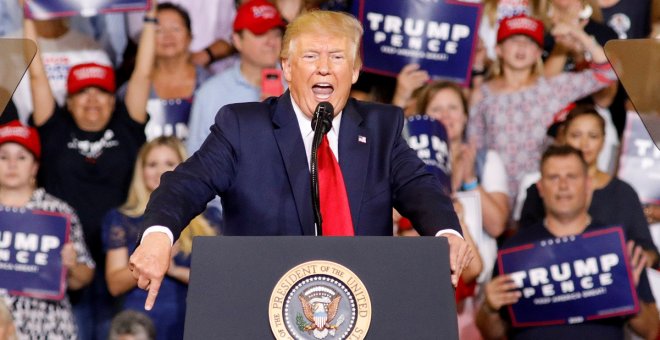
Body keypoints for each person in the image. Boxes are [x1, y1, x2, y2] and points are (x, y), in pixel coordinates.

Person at [129, 9, 472, 311]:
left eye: (337, 57)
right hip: (264, 306)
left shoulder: (383, 127)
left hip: (362, 308)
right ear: (287, 68)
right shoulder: (242, 127)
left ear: (354, 71)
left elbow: (420, 187)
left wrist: (447, 231)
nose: (324, 68)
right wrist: (159, 235)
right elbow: (187, 183)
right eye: (310, 56)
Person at [24, 11, 148, 339]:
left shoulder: (128, 126)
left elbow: (143, 72)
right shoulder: (53, 128)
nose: (92, 99)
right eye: (83, 92)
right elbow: (36, 75)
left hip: (120, 261)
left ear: (113, 99)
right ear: (69, 100)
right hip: (65, 261)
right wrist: (29, 14)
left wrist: (149, 18)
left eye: (102, 91)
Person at [475, 145, 659, 339]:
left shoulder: (615, 246)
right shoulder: (515, 250)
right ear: (540, 187)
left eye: (572, 176)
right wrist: (490, 308)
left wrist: (630, 298)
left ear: (588, 184)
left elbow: (651, 329)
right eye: (554, 177)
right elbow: (493, 335)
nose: (563, 186)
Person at [468, 14, 617, 202]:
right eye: (514, 40)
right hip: (495, 195)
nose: (521, 47)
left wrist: (578, 34)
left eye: (529, 42)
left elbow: (609, 72)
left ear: (538, 52)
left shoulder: (552, 88)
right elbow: (473, 149)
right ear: (498, 49)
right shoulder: (483, 94)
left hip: (541, 195)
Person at [103, 137, 216, 340]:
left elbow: (221, 282)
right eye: (152, 164)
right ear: (141, 171)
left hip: (193, 322)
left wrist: (174, 269)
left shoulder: (210, 220)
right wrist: (151, 260)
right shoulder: (121, 220)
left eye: (170, 164)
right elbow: (115, 284)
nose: (161, 171)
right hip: (139, 326)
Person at [519, 105, 659, 266]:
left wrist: (639, 260)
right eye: (576, 135)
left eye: (593, 136)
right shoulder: (542, 190)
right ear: (563, 136)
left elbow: (647, 249)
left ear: (603, 140)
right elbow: (523, 248)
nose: (584, 144)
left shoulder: (623, 192)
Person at [0, 121, 95, 338]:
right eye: (4, 157)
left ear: (35, 166)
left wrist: (71, 265)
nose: (12, 165)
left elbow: (83, 277)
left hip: (49, 327)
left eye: (21, 157)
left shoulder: (58, 212)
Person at [186, 0, 286, 154]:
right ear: (237, 40)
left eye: (277, 33)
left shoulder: (298, 83)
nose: (271, 42)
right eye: (260, 33)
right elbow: (195, 159)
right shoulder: (211, 93)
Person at [119, 2, 211, 141]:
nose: (168, 36)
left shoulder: (211, 85)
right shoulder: (129, 92)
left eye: (175, 29)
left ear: (190, 36)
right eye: (159, 30)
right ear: (146, 40)